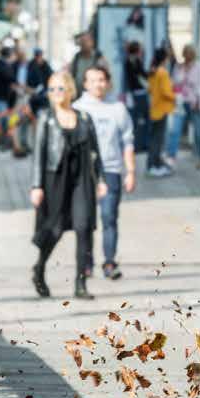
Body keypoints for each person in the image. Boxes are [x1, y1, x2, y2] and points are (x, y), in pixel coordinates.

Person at [30, 71, 107, 300]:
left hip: (82, 178)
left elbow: (95, 153)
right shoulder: (46, 117)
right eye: (51, 89)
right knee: (54, 229)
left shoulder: (84, 118)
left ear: (71, 90)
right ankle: (40, 268)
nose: (55, 93)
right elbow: (38, 154)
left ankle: (80, 283)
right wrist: (36, 186)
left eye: (60, 88)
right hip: (55, 178)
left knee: (84, 227)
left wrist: (101, 180)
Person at [75, 64, 136, 280]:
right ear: (85, 84)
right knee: (85, 220)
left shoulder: (117, 109)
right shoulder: (78, 108)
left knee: (109, 217)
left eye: (102, 80)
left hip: (111, 170)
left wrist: (130, 171)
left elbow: (127, 141)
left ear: (108, 82)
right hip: (84, 173)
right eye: (93, 80)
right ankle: (86, 263)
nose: (98, 84)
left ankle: (109, 262)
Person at [165, 44, 200, 167]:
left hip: (194, 102)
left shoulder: (199, 67)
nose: (187, 55)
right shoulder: (178, 67)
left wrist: (199, 100)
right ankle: (171, 156)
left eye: (189, 53)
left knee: (198, 132)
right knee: (175, 130)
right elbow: (173, 83)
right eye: (185, 53)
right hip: (180, 102)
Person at [147, 46, 176, 177]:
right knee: (158, 140)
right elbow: (166, 92)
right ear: (164, 59)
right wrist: (175, 96)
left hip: (154, 109)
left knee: (154, 139)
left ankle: (152, 164)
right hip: (162, 109)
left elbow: (150, 89)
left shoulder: (153, 71)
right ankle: (154, 166)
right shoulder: (162, 72)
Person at [124, 39, 149, 153]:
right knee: (142, 119)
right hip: (139, 93)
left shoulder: (128, 61)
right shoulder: (135, 61)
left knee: (135, 120)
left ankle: (137, 145)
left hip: (134, 93)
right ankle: (141, 144)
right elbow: (142, 75)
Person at [69, 30, 107, 97]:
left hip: (94, 96)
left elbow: (106, 76)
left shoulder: (98, 57)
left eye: (86, 41)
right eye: (82, 42)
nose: (84, 44)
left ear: (92, 42)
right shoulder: (77, 57)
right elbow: (71, 75)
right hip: (78, 96)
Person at [0, 39, 19, 115]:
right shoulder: (2, 65)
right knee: (4, 121)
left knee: (2, 120)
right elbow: (11, 79)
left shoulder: (0, 64)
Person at [27, 47, 53, 115]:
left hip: (44, 95)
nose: (38, 58)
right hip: (33, 94)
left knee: (44, 113)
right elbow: (28, 80)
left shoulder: (46, 65)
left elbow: (52, 78)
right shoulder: (31, 65)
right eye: (37, 56)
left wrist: (48, 90)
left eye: (40, 55)